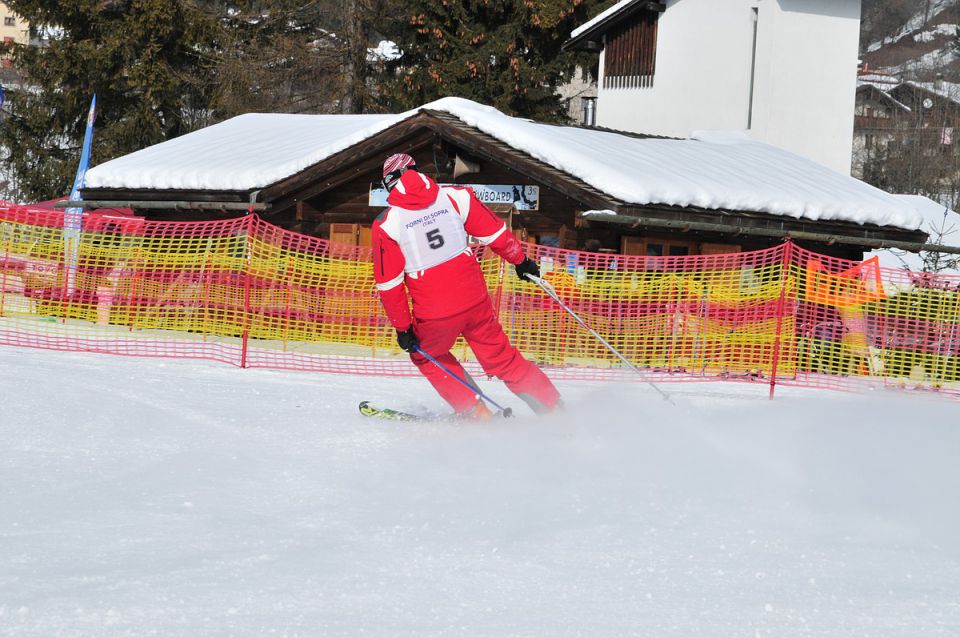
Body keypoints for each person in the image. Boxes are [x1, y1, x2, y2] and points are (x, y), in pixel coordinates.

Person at [371, 153, 561, 419]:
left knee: (427, 355)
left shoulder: (387, 223)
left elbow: (389, 284)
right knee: (501, 356)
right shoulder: (455, 196)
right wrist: (521, 261)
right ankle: (554, 408)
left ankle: (476, 412)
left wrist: (403, 328)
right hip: (474, 298)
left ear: (389, 183)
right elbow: (494, 232)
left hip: (434, 309)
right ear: (416, 171)